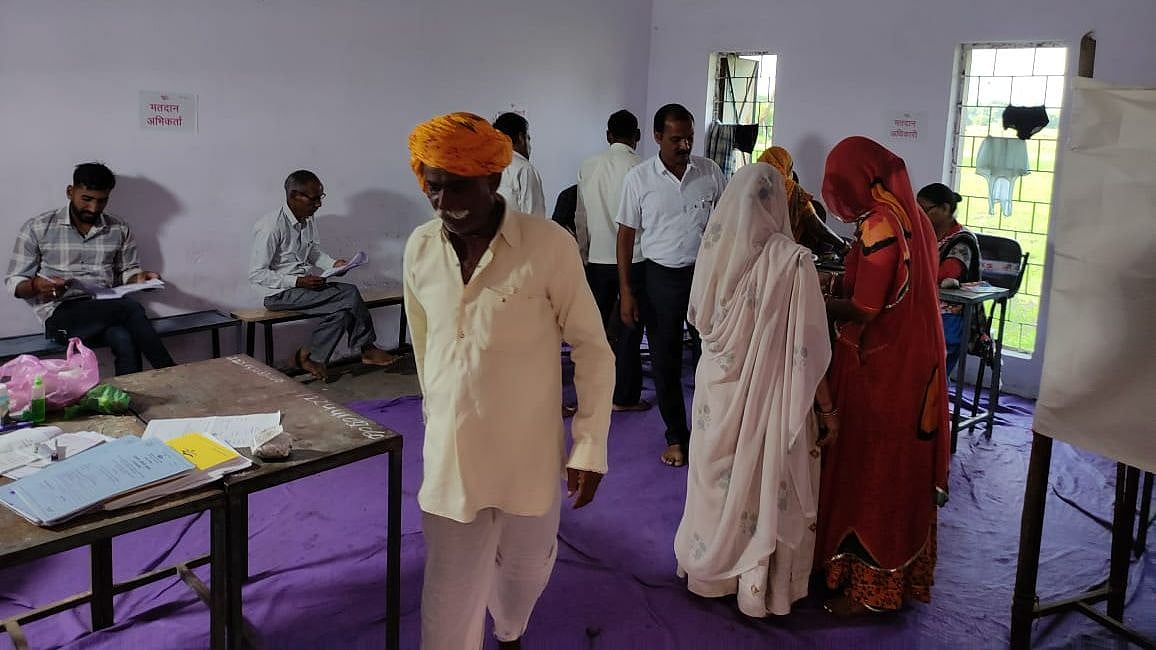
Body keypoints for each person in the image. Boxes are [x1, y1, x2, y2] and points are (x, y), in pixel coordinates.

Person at [404, 112, 614, 650]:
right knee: (447, 600)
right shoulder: (421, 249)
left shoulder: (549, 246)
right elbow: (425, 344)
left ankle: (511, 630)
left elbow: (592, 348)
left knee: (524, 574)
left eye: (459, 186)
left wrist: (589, 444)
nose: (446, 202)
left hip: (528, 455)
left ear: (494, 180)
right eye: (435, 187)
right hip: (453, 459)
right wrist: (438, 412)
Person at [674, 162, 837, 617]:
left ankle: (707, 570)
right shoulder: (792, 262)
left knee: (716, 478)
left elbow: (701, 321)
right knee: (760, 476)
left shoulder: (714, 253)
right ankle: (755, 586)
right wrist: (827, 409)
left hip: (715, 389)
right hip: (766, 391)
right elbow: (807, 349)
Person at [815, 137, 949, 616]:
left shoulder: (878, 224)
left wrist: (812, 303)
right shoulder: (913, 217)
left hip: (880, 370)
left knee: (871, 469)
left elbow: (867, 308)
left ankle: (868, 589)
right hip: (912, 365)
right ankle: (888, 579)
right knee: (898, 468)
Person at [617, 103, 726, 467]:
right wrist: (627, 291)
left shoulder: (710, 172)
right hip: (660, 278)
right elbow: (626, 236)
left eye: (689, 138)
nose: (684, 145)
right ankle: (677, 437)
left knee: (708, 358)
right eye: (676, 139)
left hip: (705, 276)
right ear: (657, 137)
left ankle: (710, 435)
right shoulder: (639, 179)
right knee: (664, 360)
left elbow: (725, 227)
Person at [5, 162, 175, 376]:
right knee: (129, 308)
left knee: (124, 339)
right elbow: (14, 280)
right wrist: (36, 286)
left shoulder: (119, 228)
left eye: (101, 201)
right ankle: (171, 372)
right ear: (70, 191)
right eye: (87, 199)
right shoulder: (38, 227)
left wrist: (142, 279)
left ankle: (125, 403)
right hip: (59, 314)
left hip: (105, 308)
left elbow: (128, 271)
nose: (93, 208)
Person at [248, 170, 397, 380]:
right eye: (313, 198)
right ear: (293, 196)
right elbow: (257, 274)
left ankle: (309, 356)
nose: (319, 204)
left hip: (301, 288)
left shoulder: (308, 220)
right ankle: (367, 348)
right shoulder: (271, 227)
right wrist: (298, 281)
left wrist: (334, 264)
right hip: (277, 293)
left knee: (344, 311)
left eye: (321, 197)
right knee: (349, 293)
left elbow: (313, 253)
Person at [575, 109, 650, 412]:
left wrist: (583, 255)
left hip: (597, 259)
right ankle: (624, 396)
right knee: (630, 329)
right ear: (638, 136)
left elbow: (580, 216)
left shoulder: (588, 166)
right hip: (636, 259)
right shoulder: (643, 168)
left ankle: (589, 394)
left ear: (608, 136)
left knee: (593, 332)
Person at [917, 183, 981, 373]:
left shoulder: (962, 241)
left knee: (930, 371)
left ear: (945, 209)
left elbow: (945, 274)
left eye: (924, 210)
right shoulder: (926, 236)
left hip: (950, 316)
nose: (919, 215)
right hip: (926, 310)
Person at [758, 146, 849, 256]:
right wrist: (844, 245)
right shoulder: (790, 188)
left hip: (752, 251)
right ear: (785, 166)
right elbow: (816, 226)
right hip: (782, 253)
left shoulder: (752, 186)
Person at [493, 112, 547, 216]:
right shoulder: (524, 169)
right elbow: (534, 219)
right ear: (521, 138)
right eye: (528, 139)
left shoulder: (488, 167)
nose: (530, 147)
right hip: (518, 231)